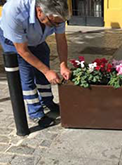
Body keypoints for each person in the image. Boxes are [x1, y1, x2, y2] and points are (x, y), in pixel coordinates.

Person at [0, 0, 71, 128]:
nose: (57, 26)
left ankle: (47, 102)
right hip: (14, 42)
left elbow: (61, 39)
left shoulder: (56, 16)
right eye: (54, 23)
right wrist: (46, 71)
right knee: (26, 74)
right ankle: (35, 112)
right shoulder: (15, 11)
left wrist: (63, 65)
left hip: (37, 38)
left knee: (43, 64)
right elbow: (23, 50)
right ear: (39, 11)